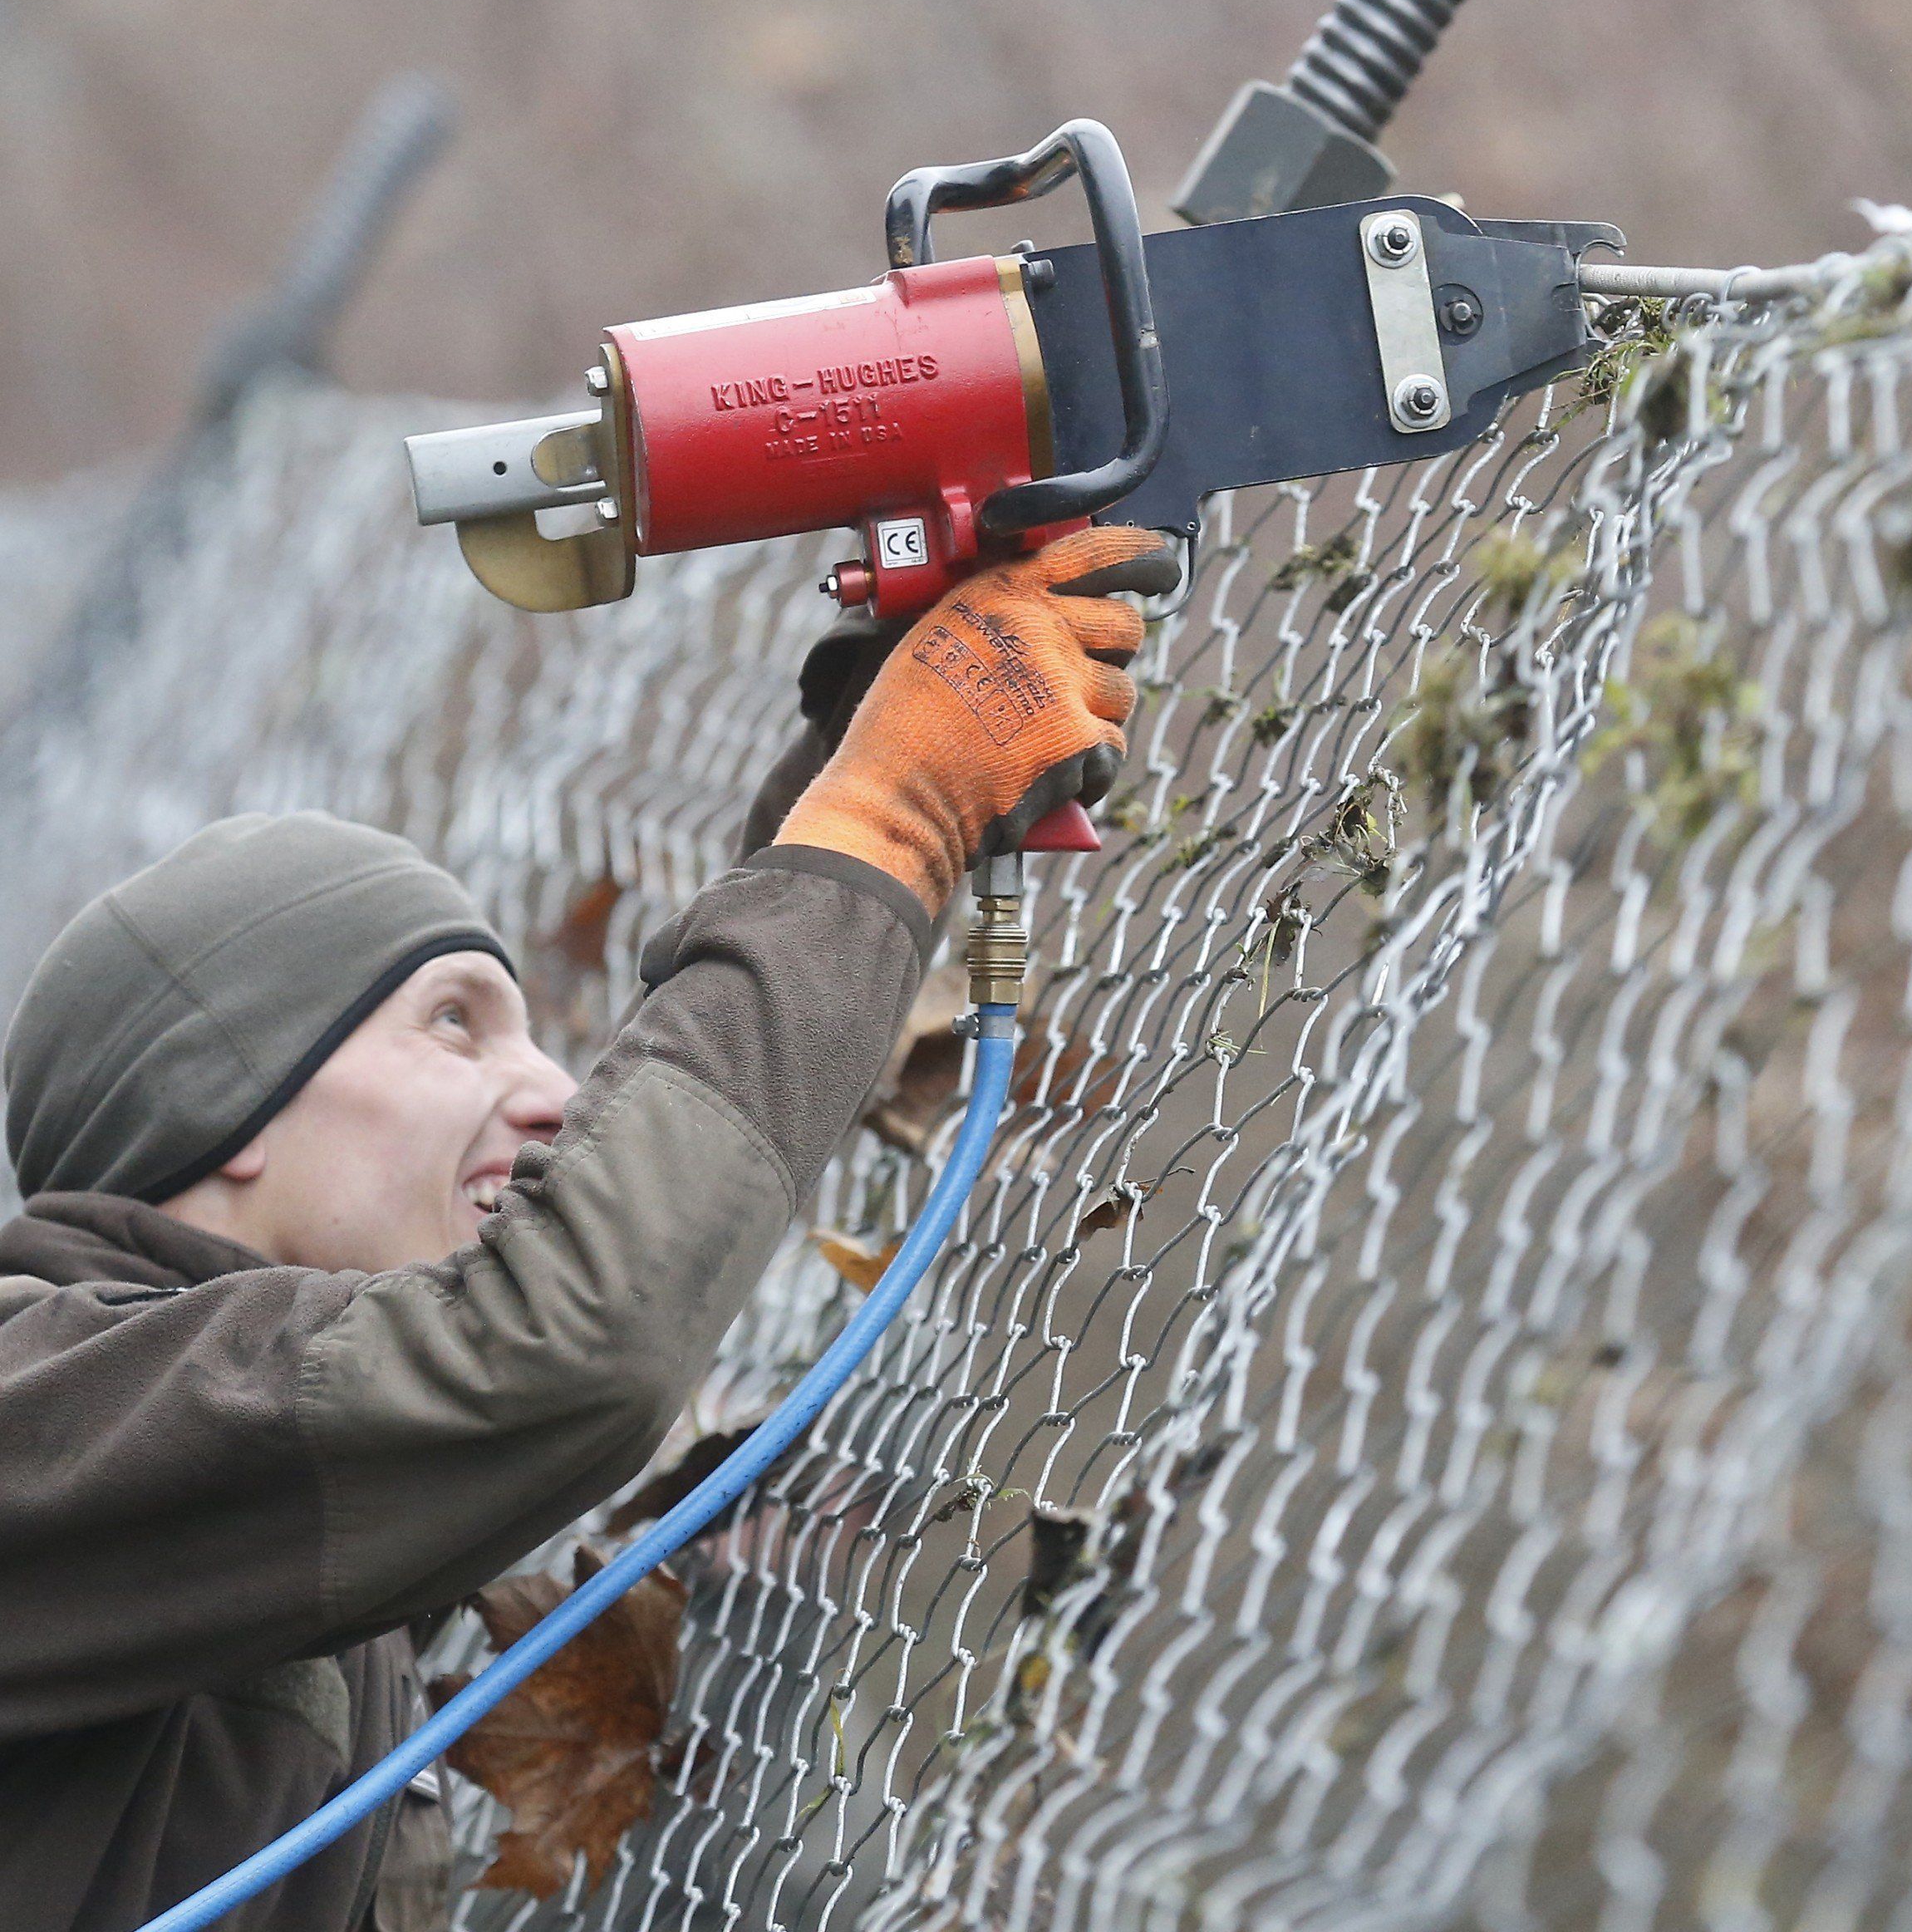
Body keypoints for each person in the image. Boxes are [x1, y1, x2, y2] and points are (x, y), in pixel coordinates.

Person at [0, 525, 1177, 1932]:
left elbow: (612, 1238)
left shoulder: (263, 1512)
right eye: (453, 1023)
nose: (555, 1091)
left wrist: (856, 761)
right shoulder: (50, 1405)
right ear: (228, 1100)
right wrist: (893, 815)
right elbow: (560, 1337)